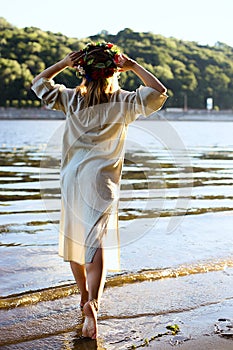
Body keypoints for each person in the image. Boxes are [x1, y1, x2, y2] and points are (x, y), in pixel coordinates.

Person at [31, 41, 167, 340]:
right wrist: (132, 66)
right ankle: (94, 302)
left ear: (84, 72)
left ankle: (82, 299)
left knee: (75, 240)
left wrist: (64, 63)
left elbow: (39, 83)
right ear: (113, 71)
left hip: (72, 179)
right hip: (102, 182)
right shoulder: (125, 101)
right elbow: (158, 92)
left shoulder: (71, 99)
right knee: (95, 244)